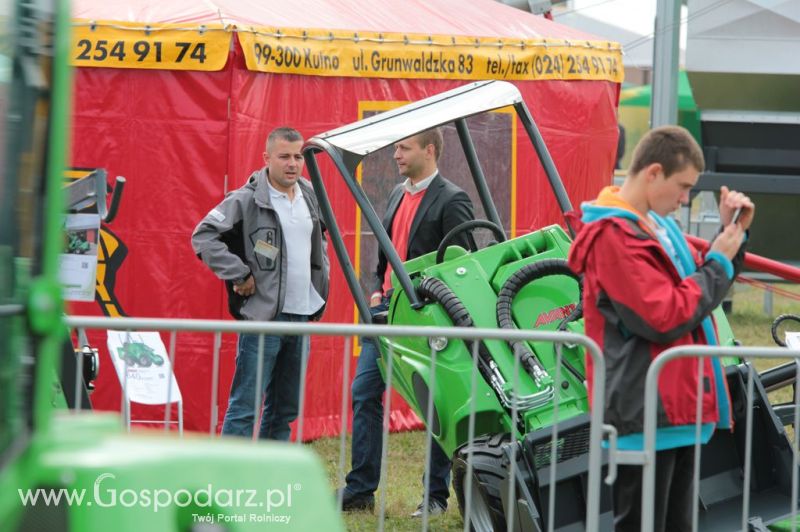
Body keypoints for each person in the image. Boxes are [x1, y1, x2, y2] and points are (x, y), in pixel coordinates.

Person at [567, 125, 754, 532]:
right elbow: (663, 316)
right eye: (683, 186)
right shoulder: (611, 236)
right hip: (644, 410)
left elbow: (700, 290)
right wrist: (719, 260)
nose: (685, 199)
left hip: (675, 407)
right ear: (653, 173)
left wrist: (731, 236)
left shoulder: (657, 227)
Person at [339, 128, 475, 516]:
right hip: (384, 317)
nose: (395, 154)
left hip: (425, 321)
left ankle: (435, 498)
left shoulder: (453, 199)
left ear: (429, 150)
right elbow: (386, 251)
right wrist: (376, 292)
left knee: (436, 408)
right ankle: (361, 490)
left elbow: (462, 267)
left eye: (404, 147)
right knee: (365, 394)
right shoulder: (399, 193)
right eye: (396, 147)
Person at [191, 126, 329, 441]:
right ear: (267, 158)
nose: (293, 163)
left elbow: (320, 244)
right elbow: (203, 235)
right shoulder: (247, 198)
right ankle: (227, 485)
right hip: (263, 319)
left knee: (285, 410)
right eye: (284, 157)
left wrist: (322, 288)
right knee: (245, 408)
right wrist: (238, 273)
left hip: (302, 316)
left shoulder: (310, 193)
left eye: (298, 156)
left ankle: (269, 482)